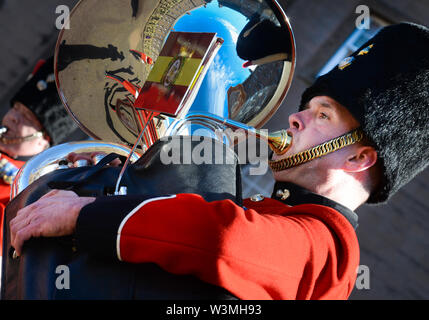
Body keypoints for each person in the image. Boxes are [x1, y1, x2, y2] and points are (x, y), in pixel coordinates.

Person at [8, 22, 429, 300]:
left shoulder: (328, 250)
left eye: (322, 115)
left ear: (360, 157)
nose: (296, 118)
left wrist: (85, 213)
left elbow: (224, 240)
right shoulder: (266, 213)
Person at [0, 56, 78, 264]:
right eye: (16, 108)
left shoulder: (29, 184)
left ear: (43, 143)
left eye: (27, 117)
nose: (14, 117)